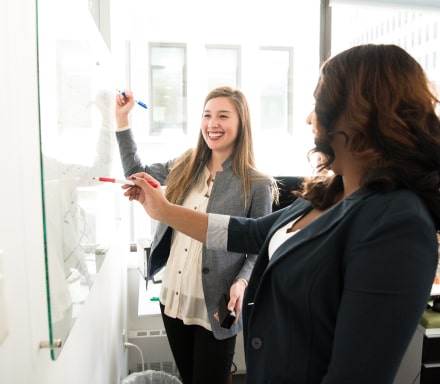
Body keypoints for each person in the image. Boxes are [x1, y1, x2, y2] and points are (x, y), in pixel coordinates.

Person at [122, 44, 440, 384]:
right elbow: (250, 232)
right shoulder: (327, 193)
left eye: (319, 104)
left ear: (360, 114)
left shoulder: (397, 223)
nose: (308, 117)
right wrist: (165, 210)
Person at [115, 86, 278, 384]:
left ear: (241, 123)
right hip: (173, 297)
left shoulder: (257, 184)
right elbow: (135, 172)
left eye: (223, 116)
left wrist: (242, 283)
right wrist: (122, 121)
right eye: (207, 115)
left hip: (215, 305)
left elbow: (260, 247)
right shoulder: (185, 164)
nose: (212, 124)